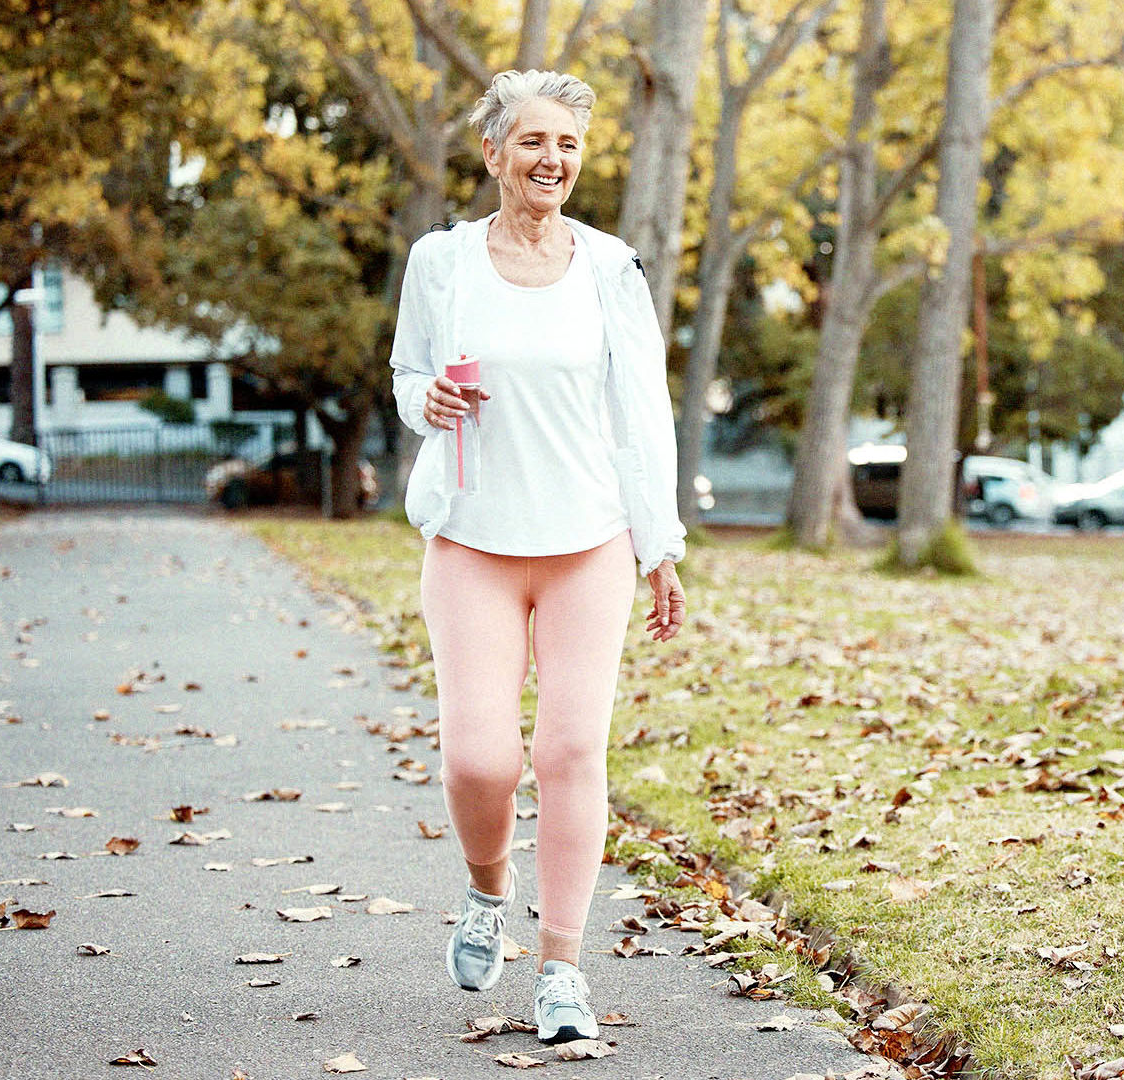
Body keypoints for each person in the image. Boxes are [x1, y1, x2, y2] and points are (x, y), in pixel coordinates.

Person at [386, 69, 688, 1045]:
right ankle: (486, 890)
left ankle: (561, 969)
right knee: (480, 759)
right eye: (531, 142)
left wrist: (660, 546)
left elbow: (644, 411)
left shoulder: (610, 267)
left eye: (565, 143)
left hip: (587, 541)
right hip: (474, 534)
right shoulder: (442, 261)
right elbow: (408, 371)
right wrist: (422, 401)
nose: (550, 159)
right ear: (494, 154)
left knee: (568, 753)